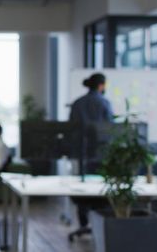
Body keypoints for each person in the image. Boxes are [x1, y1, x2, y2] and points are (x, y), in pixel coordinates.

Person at [68, 72, 113, 241]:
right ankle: (99, 223)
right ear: (101, 85)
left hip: (79, 154)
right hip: (100, 155)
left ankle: (83, 224)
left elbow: (70, 129)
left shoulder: (77, 104)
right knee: (101, 190)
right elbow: (110, 130)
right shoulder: (105, 103)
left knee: (81, 189)